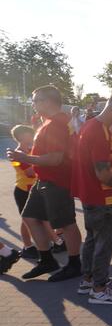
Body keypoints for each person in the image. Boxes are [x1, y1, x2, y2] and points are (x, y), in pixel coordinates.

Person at [7, 85, 83, 282]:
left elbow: (56, 158)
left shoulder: (56, 124)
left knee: (66, 223)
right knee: (30, 216)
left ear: (48, 101)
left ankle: (75, 264)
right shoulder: (50, 122)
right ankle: (47, 260)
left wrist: (25, 157)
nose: (33, 104)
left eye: (35, 100)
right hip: (44, 180)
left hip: (57, 181)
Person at [72, 91, 112, 304]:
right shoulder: (100, 131)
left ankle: (88, 279)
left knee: (92, 239)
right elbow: (102, 172)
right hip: (103, 197)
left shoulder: (91, 125)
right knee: (105, 243)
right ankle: (99, 288)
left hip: (91, 195)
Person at [10, 125, 63, 259]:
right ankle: (36, 245)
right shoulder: (17, 154)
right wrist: (44, 163)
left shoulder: (29, 150)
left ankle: (39, 244)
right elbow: (29, 173)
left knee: (33, 219)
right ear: (21, 136)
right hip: (24, 190)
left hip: (34, 188)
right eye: (29, 134)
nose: (32, 136)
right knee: (32, 219)